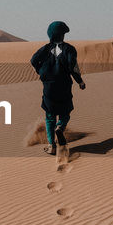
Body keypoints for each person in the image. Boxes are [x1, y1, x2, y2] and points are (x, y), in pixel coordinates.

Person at [30, 20, 85, 155]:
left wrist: (42, 72)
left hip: (49, 87)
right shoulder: (69, 49)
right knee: (65, 111)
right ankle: (60, 126)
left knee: (49, 116)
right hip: (64, 85)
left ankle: (51, 145)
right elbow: (73, 66)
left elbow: (33, 60)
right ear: (62, 35)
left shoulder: (45, 49)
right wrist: (80, 81)